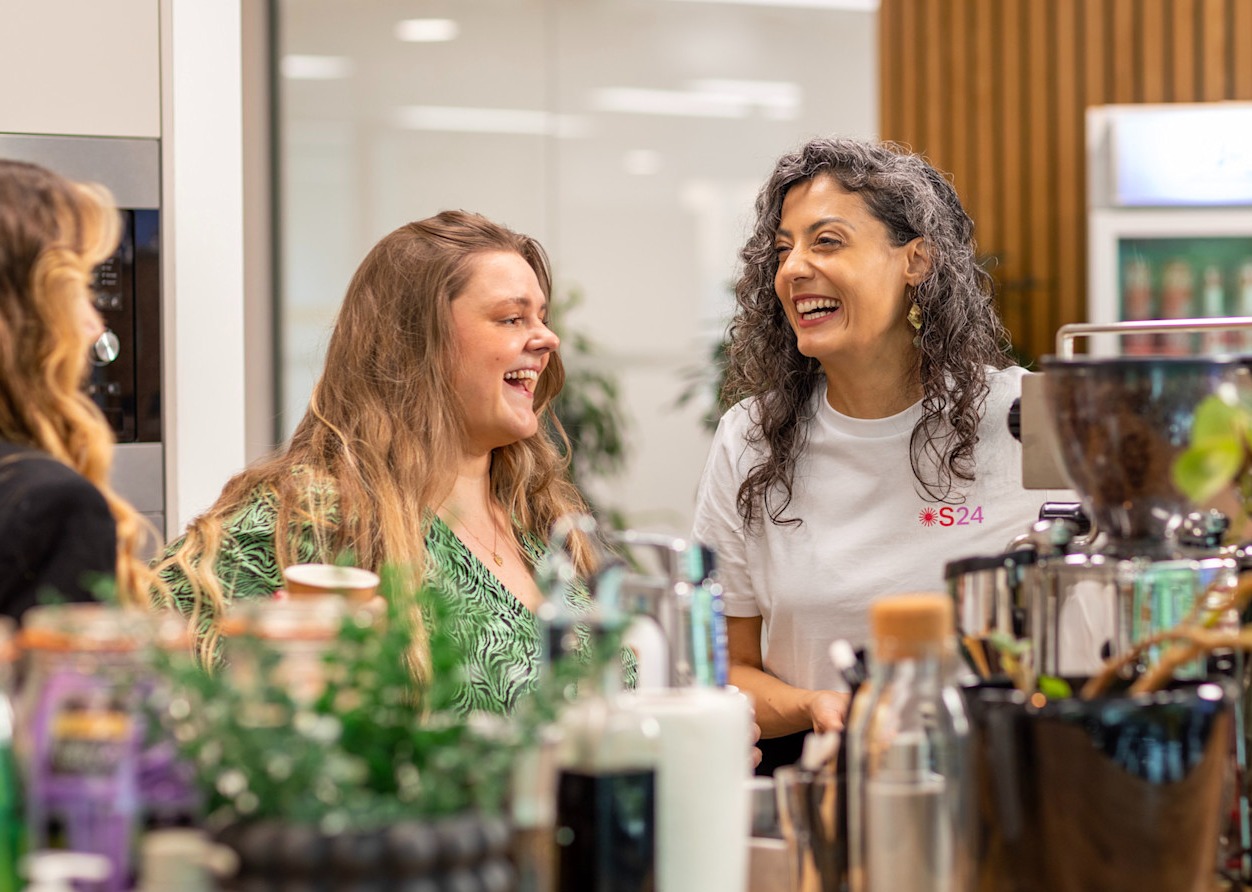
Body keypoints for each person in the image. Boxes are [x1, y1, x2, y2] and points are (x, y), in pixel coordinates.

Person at [692, 137, 1059, 771]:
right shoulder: (750, 438)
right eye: (784, 249)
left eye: (826, 241)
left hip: (1007, 774)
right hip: (823, 777)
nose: (794, 268)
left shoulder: (1028, 419)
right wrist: (817, 703)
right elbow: (725, 668)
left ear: (915, 261)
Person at [154, 210, 607, 715]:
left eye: (542, 317)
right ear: (415, 342)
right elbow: (146, 658)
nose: (547, 338)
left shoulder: (538, 514)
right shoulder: (313, 514)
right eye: (511, 318)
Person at [0, 159, 161, 620]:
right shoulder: (53, 506)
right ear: (28, 317)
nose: (96, 325)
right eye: (83, 290)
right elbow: (74, 692)